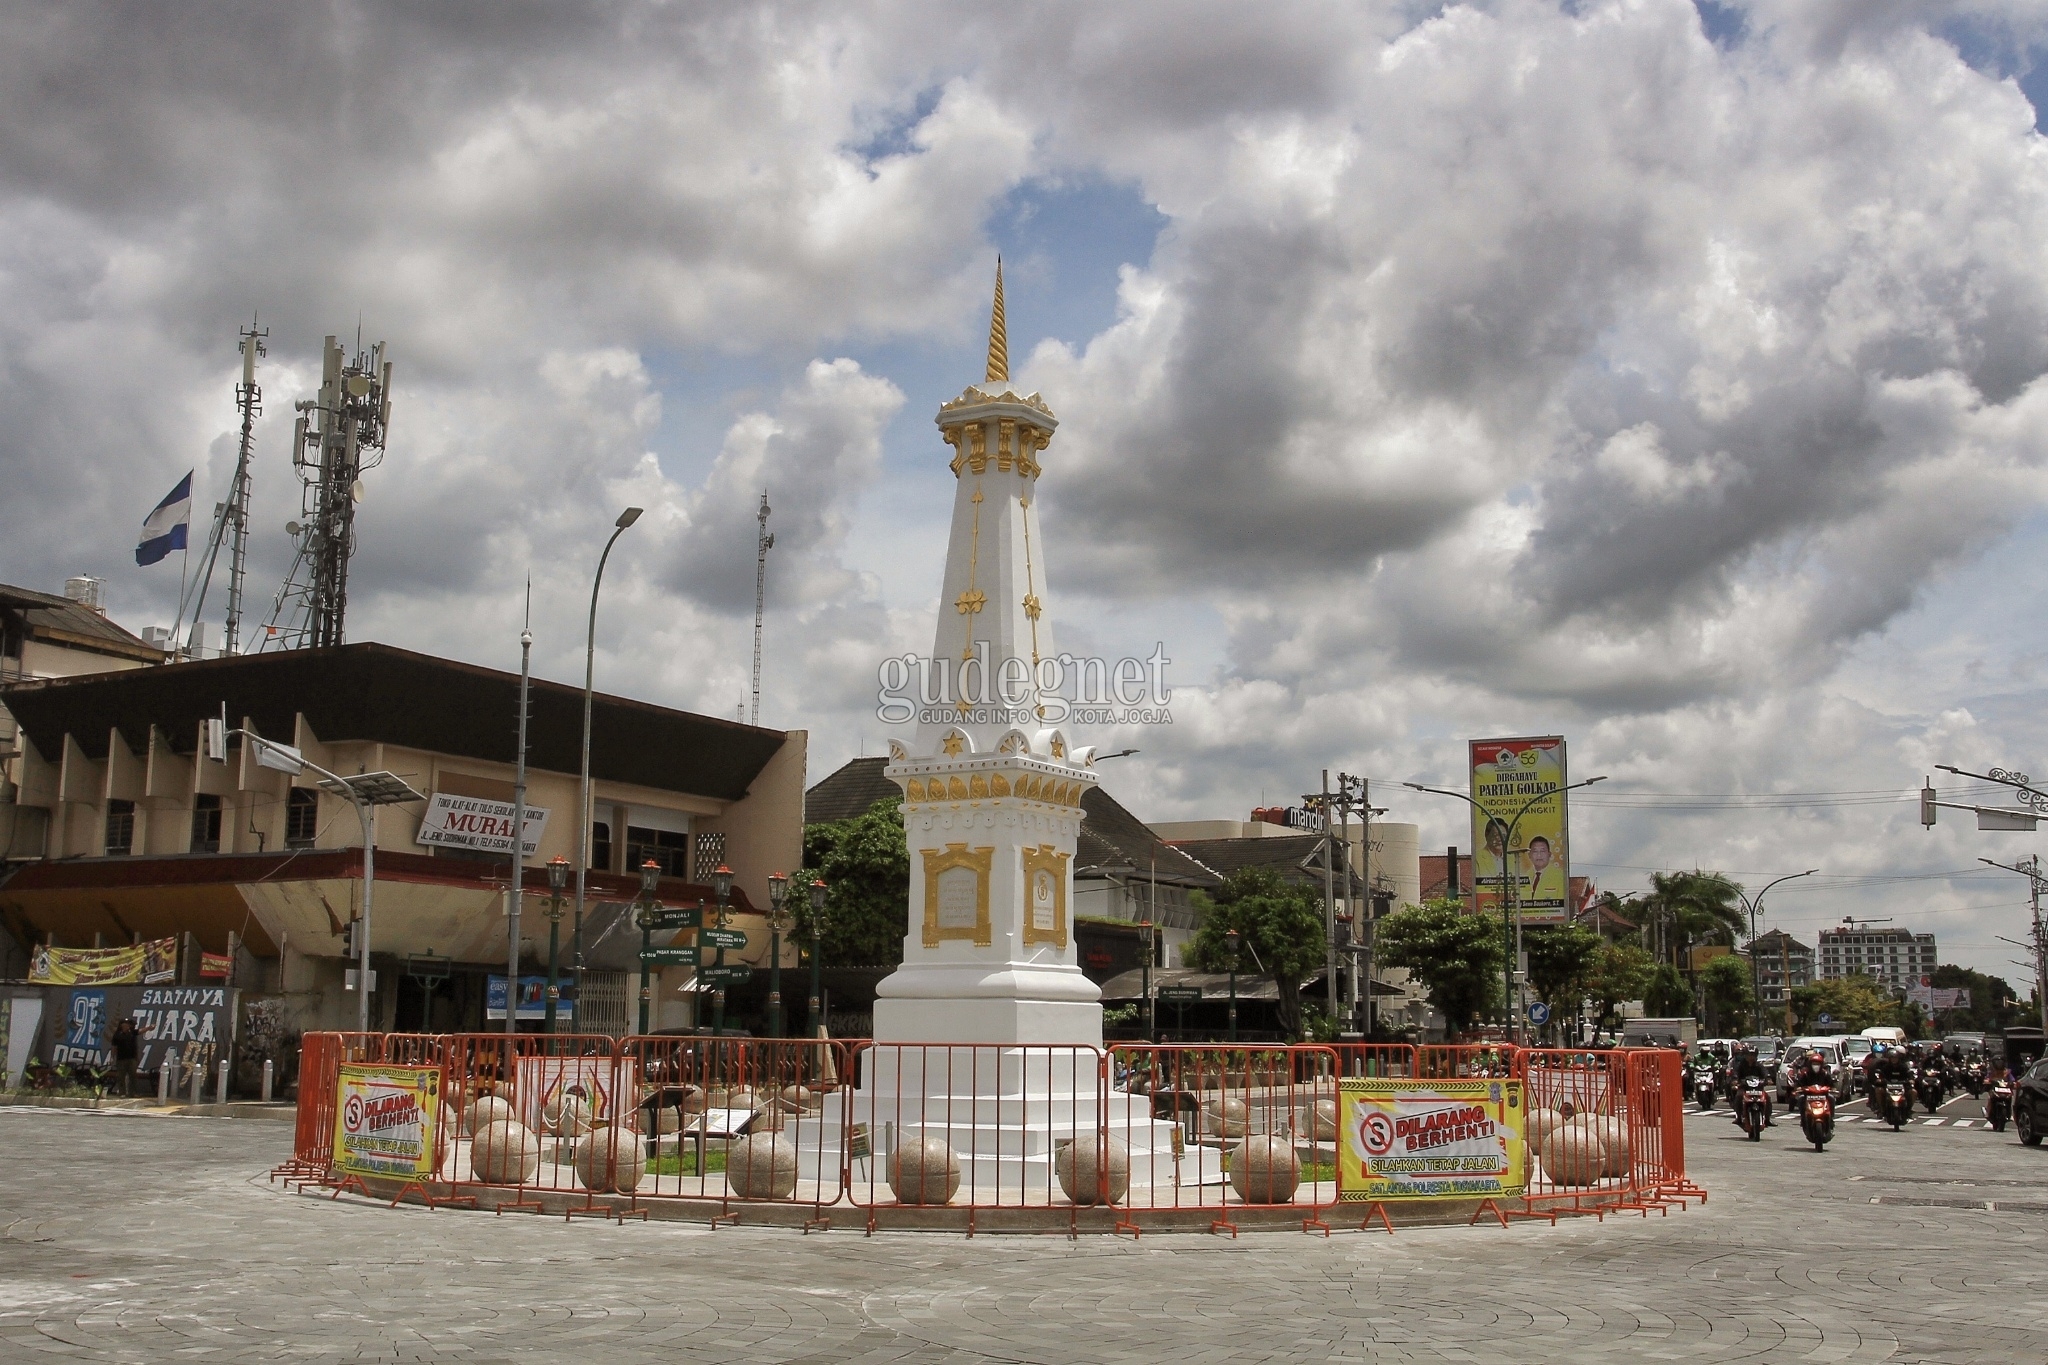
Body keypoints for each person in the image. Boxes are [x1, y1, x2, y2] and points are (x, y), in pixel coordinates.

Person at [1729, 1041, 1773, 1125]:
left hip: (1758, 1089)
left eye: (1753, 1055)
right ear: (1745, 1055)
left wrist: (1768, 1079)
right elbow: (1735, 1073)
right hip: (1745, 1088)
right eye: (1749, 1055)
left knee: (1767, 1097)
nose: (1751, 1057)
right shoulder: (1741, 1065)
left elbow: (1765, 1073)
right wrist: (1735, 1080)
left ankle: (1767, 1119)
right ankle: (1739, 1117)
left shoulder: (1759, 1065)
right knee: (1738, 1096)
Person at [109, 1018, 139, 1097]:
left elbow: (140, 1031)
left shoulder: (132, 1033)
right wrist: (112, 1057)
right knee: (121, 1076)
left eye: (128, 1024)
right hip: (121, 1058)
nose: (127, 1026)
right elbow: (114, 1047)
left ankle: (132, 1092)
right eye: (126, 1024)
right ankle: (122, 1092)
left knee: (133, 1075)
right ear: (122, 1025)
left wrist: (149, 1028)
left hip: (132, 1058)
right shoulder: (117, 1035)